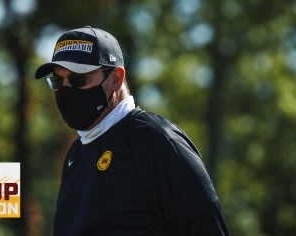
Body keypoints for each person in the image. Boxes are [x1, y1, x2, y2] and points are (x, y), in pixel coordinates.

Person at [34, 26, 230, 236]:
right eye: (57, 81)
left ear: (116, 78)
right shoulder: (75, 153)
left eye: (78, 79)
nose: (65, 90)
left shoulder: (158, 141)